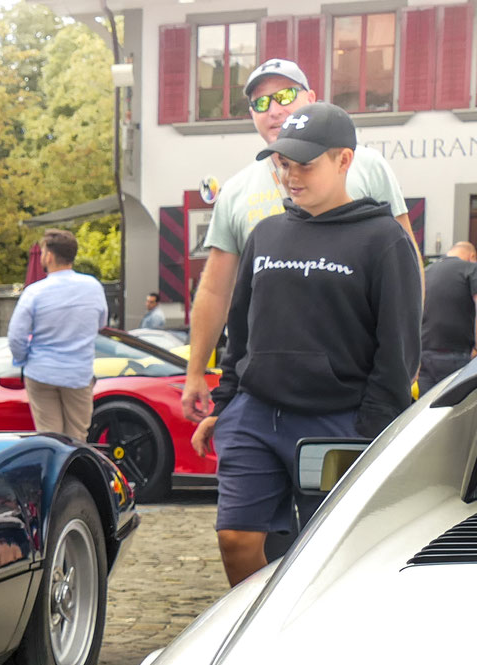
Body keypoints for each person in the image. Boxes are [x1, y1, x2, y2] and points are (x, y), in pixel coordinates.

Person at [189, 103, 419, 587]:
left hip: (337, 421)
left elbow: (398, 349)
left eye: (305, 164)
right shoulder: (267, 233)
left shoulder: (383, 241)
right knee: (236, 538)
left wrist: (370, 428)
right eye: (283, 163)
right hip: (255, 416)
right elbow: (241, 330)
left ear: (343, 161)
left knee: (326, 555)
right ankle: (259, 635)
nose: (291, 176)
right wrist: (226, 406)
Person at [181, 58, 415, 425]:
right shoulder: (236, 191)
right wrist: (196, 372)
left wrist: (400, 374)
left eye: (285, 95)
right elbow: (216, 291)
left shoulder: (364, 164)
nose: (273, 109)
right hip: (260, 400)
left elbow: (407, 269)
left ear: (311, 97)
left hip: (347, 400)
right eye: (260, 102)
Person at [7, 229, 109, 442]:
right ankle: (75, 473)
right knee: (78, 437)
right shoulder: (93, 287)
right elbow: (101, 323)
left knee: (50, 437)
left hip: (42, 372)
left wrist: (24, 360)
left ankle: (55, 473)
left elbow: (16, 336)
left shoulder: (35, 292)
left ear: (49, 256)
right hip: (78, 374)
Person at [419, 241, 477, 390]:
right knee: (457, 409)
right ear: (472, 256)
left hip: (425, 355)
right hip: (457, 355)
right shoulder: (471, 268)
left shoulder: (426, 271)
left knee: (429, 408)